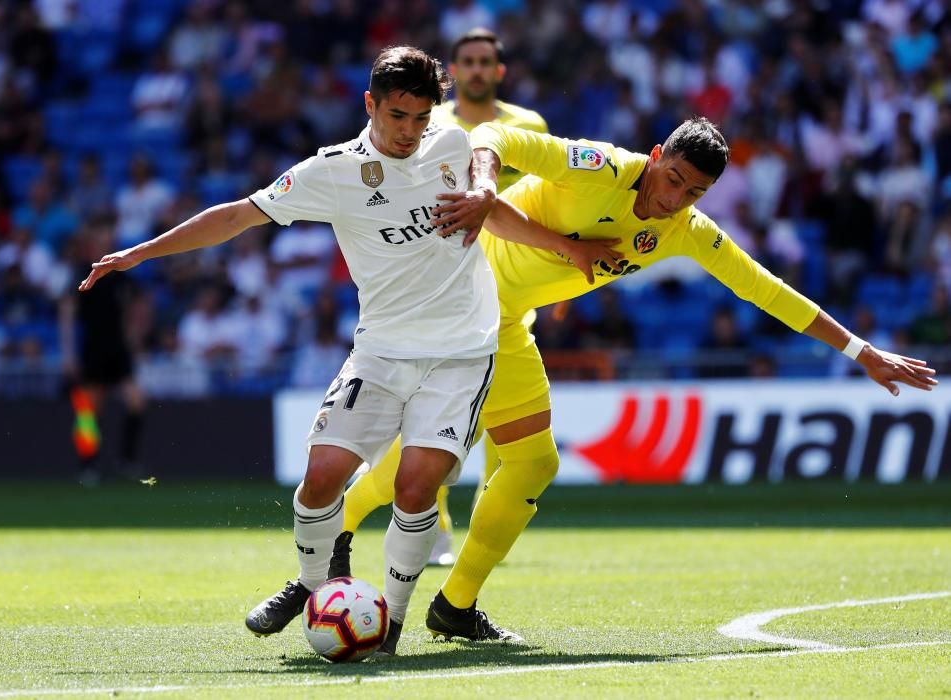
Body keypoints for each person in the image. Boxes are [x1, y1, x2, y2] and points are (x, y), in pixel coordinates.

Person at [77, 46, 601, 656]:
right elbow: (237, 218)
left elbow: (494, 213)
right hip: (380, 350)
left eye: (421, 118)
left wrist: (568, 248)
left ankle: (393, 627)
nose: (410, 131)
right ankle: (309, 583)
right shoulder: (332, 172)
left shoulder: (452, 147)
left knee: (415, 486)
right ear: (370, 104)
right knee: (321, 478)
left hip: (462, 350)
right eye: (398, 116)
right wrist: (138, 253)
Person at [330, 117, 939, 642]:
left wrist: (860, 351)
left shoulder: (685, 230)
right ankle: (342, 525)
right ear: (656, 157)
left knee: (531, 465)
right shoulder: (598, 166)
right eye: (673, 179)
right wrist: (487, 186)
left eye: (695, 192)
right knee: (440, 457)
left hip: (504, 325)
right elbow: (491, 136)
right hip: (454, 305)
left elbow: (764, 289)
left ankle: (453, 605)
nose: (675, 199)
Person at [343, 28, 548, 567]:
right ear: (454, 71)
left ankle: (482, 532)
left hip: (513, 281)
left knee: (504, 433)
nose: (478, 70)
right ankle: (429, 526)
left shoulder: (528, 127)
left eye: (487, 61)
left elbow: (541, 200)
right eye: (469, 62)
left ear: (499, 70)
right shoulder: (430, 123)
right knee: (443, 424)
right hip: (448, 285)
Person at [59, 221, 146, 486]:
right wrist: (69, 353)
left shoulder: (121, 274)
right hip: (93, 350)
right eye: (98, 242)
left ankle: (127, 460)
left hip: (118, 349)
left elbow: (136, 307)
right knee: (88, 412)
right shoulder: (81, 275)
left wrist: (133, 338)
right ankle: (88, 467)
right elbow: (67, 314)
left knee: (135, 402)